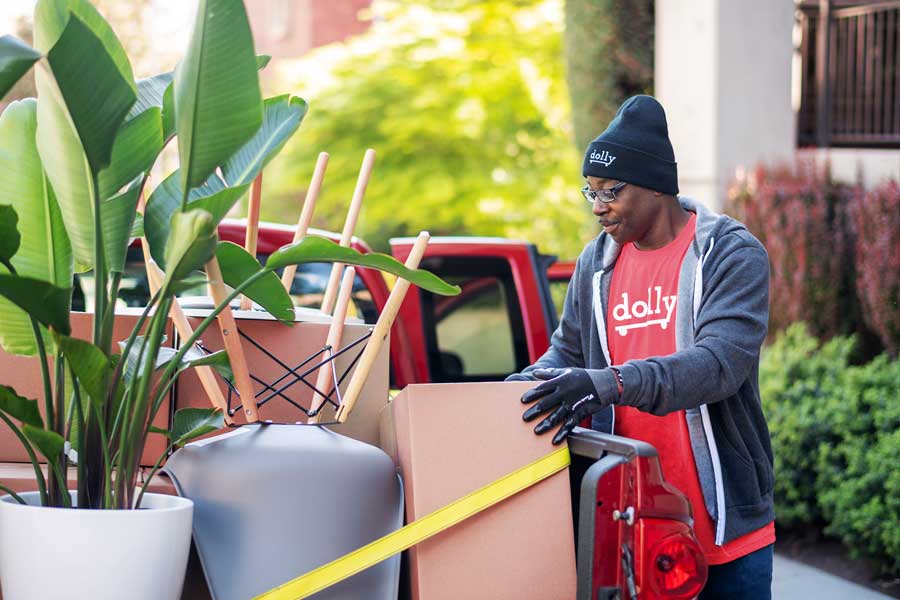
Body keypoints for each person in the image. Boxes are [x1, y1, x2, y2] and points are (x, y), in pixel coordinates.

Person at [507, 95, 775, 599]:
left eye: (610, 190)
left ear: (656, 186)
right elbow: (566, 352)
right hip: (629, 519)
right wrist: (521, 389)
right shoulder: (596, 264)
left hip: (723, 529)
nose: (597, 206)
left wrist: (608, 384)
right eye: (589, 191)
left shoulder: (729, 254)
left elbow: (718, 365)